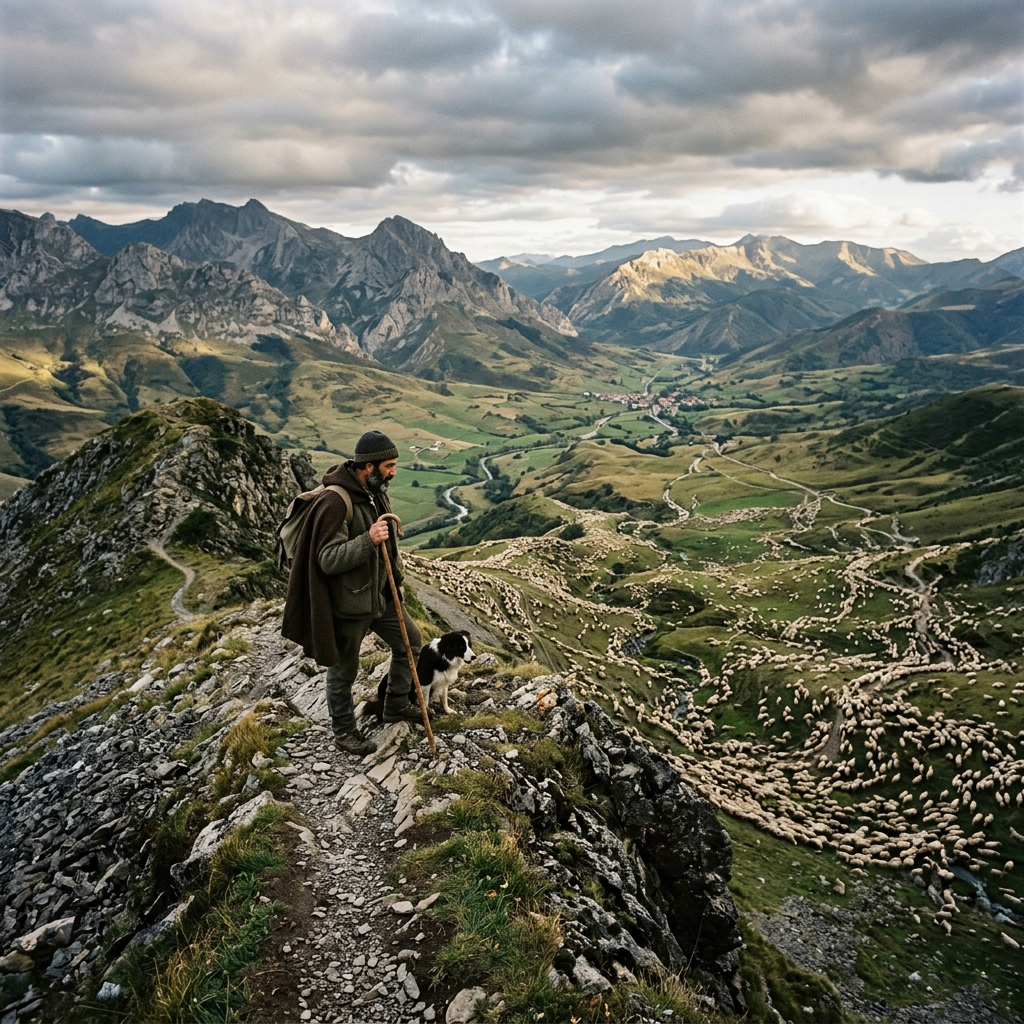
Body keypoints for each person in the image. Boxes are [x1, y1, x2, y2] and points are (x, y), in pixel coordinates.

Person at [282, 430, 423, 754]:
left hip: (381, 597)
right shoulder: (336, 501)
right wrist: (367, 540)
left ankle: (395, 706)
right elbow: (327, 560)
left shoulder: (374, 493)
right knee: (344, 669)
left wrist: (395, 585)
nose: (393, 472)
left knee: (411, 644)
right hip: (349, 603)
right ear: (368, 467)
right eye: (388, 466)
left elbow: (391, 548)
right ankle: (344, 731)